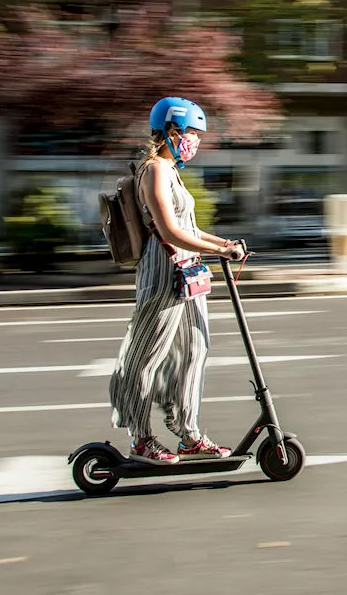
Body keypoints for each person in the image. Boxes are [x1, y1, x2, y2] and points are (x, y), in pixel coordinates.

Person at [108, 97, 247, 465]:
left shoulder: (172, 171)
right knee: (146, 356)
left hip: (187, 270)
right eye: (191, 133)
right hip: (163, 270)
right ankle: (141, 439)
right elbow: (169, 231)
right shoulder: (154, 170)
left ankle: (189, 435)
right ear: (172, 131)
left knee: (193, 351)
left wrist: (223, 244)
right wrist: (221, 254)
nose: (195, 141)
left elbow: (189, 226)